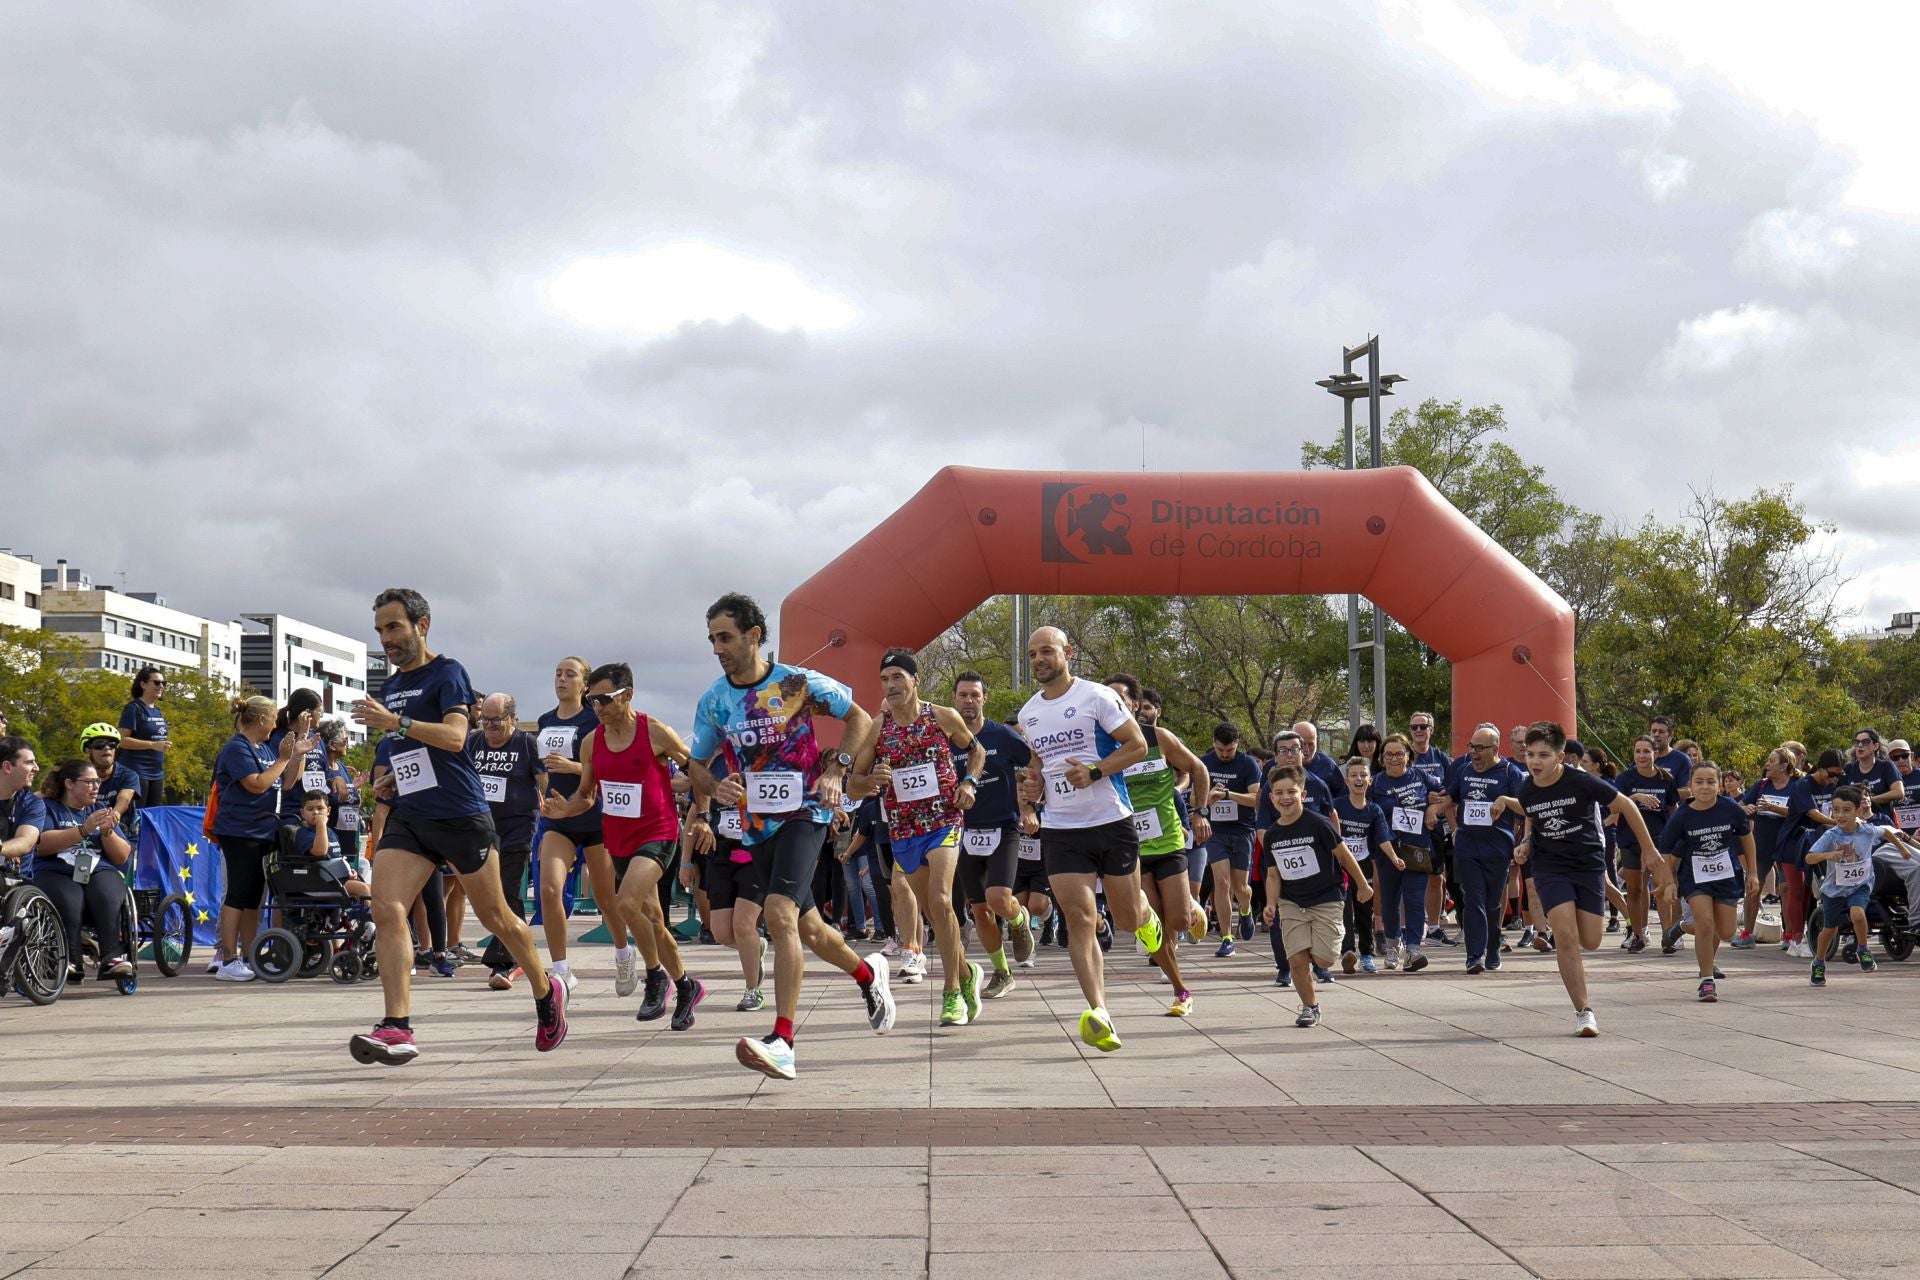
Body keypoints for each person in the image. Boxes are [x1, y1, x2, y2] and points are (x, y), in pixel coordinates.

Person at [348, 587, 565, 1065]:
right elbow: (412, 755)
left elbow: (452, 737)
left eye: (394, 627)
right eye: (380, 630)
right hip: (413, 816)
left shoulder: (449, 673)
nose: (386, 638)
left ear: (421, 626)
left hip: (462, 815)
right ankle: (397, 1026)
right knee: (387, 908)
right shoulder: (390, 687)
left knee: (497, 918)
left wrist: (397, 722)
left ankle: (546, 989)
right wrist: (391, 784)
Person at [685, 593, 894, 1082]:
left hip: (806, 813)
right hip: (756, 826)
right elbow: (695, 762)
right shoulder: (714, 700)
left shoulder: (796, 683)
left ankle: (783, 1040)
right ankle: (869, 975)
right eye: (713, 638)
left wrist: (838, 770)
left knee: (777, 915)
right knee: (811, 931)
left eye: (726, 637)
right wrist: (716, 786)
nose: (718, 647)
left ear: (755, 635)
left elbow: (859, 718)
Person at [1014, 626, 1163, 1052]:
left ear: (1067, 653)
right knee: (1079, 919)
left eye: (1046, 651)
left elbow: (1136, 746)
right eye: (1032, 653)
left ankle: (1145, 918)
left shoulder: (1097, 696)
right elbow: (1039, 764)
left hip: (1110, 822)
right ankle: (1100, 1012)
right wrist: (1033, 790)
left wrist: (1096, 771)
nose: (1039, 659)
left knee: (1127, 918)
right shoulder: (1029, 714)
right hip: (1061, 830)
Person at [542, 664, 707, 1030]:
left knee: (625, 904)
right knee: (653, 921)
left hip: (658, 831)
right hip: (619, 838)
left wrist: (704, 814)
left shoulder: (655, 731)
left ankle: (655, 976)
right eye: (592, 700)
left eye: (604, 699)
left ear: (627, 694)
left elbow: (696, 769)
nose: (597, 707)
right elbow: (586, 797)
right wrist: (564, 808)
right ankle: (685, 985)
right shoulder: (591, 742)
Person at [1496, 721, 1669, 1036]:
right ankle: (1584, 1011)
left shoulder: (1582, 782)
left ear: (1560, 756)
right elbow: (1531, 811)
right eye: (1531, 754)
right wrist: (1526, 841)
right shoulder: (1527, 787)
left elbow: (1627, 805)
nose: (1535, 761)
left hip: (1587, 865)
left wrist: (1650, 850)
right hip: (1549, 866)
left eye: (1544, 755)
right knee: (1564, 935)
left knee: (1591, 940)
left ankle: (1582, 942)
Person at [851, 650, 986, 1029]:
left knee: (942, 902)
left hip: (945, 819)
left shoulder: (942, 716)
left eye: (898, 677)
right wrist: (872, 781)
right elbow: (854, 783)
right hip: (904, 828)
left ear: (915, 680)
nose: (891, 686)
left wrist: (970, 783)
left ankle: (951, 994)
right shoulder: (879, 728)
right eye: (885, 680)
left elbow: (976, 752)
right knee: (933, 912)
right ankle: (966, 973)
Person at [1106, 673, 1208, 1015]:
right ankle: (1181, 992)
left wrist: (1200, 812)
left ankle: (1191, 905)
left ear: (1134, 705)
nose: (1113, 706)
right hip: (1130, 846)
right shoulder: (1101, 746)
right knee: (1154, 925)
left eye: (1120, 699)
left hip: (1166, 841)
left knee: (1177, 921)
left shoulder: (1158, 738)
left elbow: (1198, 769)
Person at [533, 656, 631, 996]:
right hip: (558, 819)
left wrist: (572, 767)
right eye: (558, 673)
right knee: (548, 890)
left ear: (584, 684)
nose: (561, 679)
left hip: (593, 815)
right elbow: (542, 769)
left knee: (606, 898)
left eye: (569, 674)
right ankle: (561, 971)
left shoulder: (594, 718)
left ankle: (622, 952)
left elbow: (603, 766)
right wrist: (542, 790)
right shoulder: (545, 720)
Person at [209, 696, 314, 981]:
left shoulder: (264, 748)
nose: (274, 724)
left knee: (254, 897)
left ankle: (248, 955)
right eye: (272, 719)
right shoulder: (236, 747)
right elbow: (256, 784)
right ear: (260, 720)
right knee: (238, 893)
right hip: (239, 830)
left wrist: (298, 752)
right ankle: (228, 958)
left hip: (263, 830)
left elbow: (288, 781)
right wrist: (282, 758)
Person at [1262, 766, 1372, 1027]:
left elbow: (1344, 855)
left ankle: (1314, 949)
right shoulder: (1272, 835)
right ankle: (1310, 1008)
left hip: (1327, 898)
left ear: (1303, 793)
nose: (1285, 797)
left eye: (1291, 791)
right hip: (1292, 903)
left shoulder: (1318, 823)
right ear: (1271, 799)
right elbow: (1273, 874)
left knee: (1324, 959)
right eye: (1279, 793)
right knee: (1297, 959)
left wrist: (1362, 885)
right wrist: (1270, 903)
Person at [953, 671, 1038, 1000]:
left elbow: (1035, 765)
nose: (969, 701)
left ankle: (1019, 919)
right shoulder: (948, 739)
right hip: (964, 832)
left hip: (1003, 827)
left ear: (984, 699)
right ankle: (1002, 973)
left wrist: (1030, 805)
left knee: (999, 899)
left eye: (975, 695)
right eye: (963, 695)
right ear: (955, 699)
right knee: (980, 910)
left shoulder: (1002, 736)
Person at [1656, 761, 1755, 1002]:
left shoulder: (1730, 808)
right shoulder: (1682, 815)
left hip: (1726, 875)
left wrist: (1752, 872)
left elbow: (1746, 837)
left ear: (1719, 784)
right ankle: (1706, 980)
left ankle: (1681, 927)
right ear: (1690, 786)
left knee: (1726, 930)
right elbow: (1666, 852)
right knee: (1705, 923)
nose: (1705, 787)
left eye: (1711, 781)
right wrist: (1669, 882)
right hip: (1694, 877)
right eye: (1699, 782)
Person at [466, 693, 546, 989]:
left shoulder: (526, 743)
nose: (489, 725)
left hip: (517, 830)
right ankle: (524, 955)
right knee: (488, 898)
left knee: (508, 893)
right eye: (484, 719)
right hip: (481, 831)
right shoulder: (474, 742)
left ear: (512, 717)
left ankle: (504, 962)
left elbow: (544, 781)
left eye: (496, 719)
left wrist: (551, 805)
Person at [1805, 786, 1920, 985]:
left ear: (1859, 811)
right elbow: (1809, 858)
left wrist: (1902, 850)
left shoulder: (1867, 830)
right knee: (1829, 930)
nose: (1840, 815)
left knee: (1858, 914)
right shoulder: (1831, 836)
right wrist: (1828, 855)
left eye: (1846, 810)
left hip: (1861, 884)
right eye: (1836, 809)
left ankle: (1863, 949)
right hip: (1835, 888)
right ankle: (1819, 962)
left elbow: (1888, 833)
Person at [32, 759, 135, 980]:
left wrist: (108, 833)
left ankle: (111, 957)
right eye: (89, 782)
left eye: (97, 781)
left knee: (107, 891)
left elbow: (122, 856)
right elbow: (41, 844)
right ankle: (70, 959)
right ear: (69, 783)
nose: (96, 786)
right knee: (70, 898)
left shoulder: (100, 809)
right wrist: (84, 830)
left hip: (98, 868)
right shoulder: (48, 807)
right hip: (55, 869)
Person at [1446, 725, 1527, 973]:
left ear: (1495, 748)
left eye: (1480, 748)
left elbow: (1525, 807)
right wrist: (1452, 827)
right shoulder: (1463, 770)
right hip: (1468, 847)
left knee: (1492, 903)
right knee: (1473, 899)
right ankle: (1474, 956)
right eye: (1471, 746)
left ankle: (1493, 948)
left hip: (1497, 849)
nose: (1474, 753)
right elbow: (1451, 801)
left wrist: (1504, 801)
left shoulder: (1510, 772)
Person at [692, 758, 771, 1010]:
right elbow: (696, 814)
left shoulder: (763, 760)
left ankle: (752, 990)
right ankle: (755, 946)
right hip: (722, 855)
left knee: (743, 924)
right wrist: (685, 863)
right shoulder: (711, 765)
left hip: (754, 856)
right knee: (722, 933)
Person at [1368, 734, 1437, 971]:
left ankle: (1413, 949)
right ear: (1382, 757)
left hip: (1416, 847)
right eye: (1389, 754)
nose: (1394, 758)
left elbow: (1449, 794)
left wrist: (1433, 809)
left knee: (1415, 899)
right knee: (1390, 899)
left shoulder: (1421, 776)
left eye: (1399, 753)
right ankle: (1392, 945)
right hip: (1388, 850)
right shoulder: (1376, 783)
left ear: (1409, 755)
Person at [1613, 736, 1681, 956]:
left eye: (1646, 751)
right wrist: (1635, 797)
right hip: (1630, 840)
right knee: (1635, 889)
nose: (1641, 756)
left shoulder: (1665, 779)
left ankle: (1667, 935)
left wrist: (1678, 833)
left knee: (1662, 889)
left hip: (1659, 840)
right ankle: (1638, 935)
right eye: (1637, 751)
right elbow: (1614, 806)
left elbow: (1673, 808)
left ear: (1655, 754)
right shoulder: (1625, 779)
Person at [1197, 723, 1262, 953]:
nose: (1224, 755)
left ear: (1237, 746)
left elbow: (1256, 799)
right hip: (1216, 832)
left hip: (1243, 830)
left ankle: (1245, 910)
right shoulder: (1205, 763)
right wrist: (1207, 802)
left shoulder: (1248, 764)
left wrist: (1226, 794)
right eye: (1219, 750)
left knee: (1241, 887)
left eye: (1229, 751)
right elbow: (1196, 800)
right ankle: (1227, 938)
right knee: (1221, 883)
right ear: (1214, 744)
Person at [1331, 755, 1398, 974]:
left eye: (1363, 775)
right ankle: (1347, 952)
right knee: (1344, 909)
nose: (1358, 779)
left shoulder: (1374, 810)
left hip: (1364, 867)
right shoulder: (1337, 806)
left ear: (1370, 781)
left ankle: (1367, 954)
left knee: (1364, 910)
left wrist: (1393, 857)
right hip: (1340, 867)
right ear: (1347, 781)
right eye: (1353, 775)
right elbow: (1327, 833)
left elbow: (1382, 838)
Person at [1778, 749, 1847, 957]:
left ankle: (1806, 935)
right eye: (1831, 774)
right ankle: (1795, 940)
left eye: (1838, 775)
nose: (1833, 779)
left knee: (1809, 892)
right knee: (1796, 890)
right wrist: (1838, 822)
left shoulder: (1833, 785)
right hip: (1793, 842)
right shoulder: (1803, 785)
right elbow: (1813, 813)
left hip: (1816, 842)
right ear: (1821, 768)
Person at [1734, 748, 1799, 949]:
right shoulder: (1762, 785)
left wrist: (1773, 808)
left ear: (1784, 765)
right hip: (1762, 843)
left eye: (1771, 761)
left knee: (1787, 889)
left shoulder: (1797, 786)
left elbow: (1801, 812)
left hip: (1787, 843)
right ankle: (1747, 934)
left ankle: (1790, 935)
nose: (1767, 765)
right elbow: (1740, 805)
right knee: (1753, 888)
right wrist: (1746, 809)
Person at [0, 737, 44, 974]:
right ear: (8, 767)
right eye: (29, 763)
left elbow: (26, 842)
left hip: (14, 877)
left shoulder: (31, 804)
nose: (36, 768)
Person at [293, 790, 369, 898]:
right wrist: (321, 824)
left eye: (320, 808)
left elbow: (337, 857)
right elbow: (320, 852)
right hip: (316, 882)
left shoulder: (331, 832)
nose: (315, 812)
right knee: (363, 889)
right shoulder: (303, 833)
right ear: (302, 813)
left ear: (328, 811)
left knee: (373, 888)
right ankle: (369, 914)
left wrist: (349, 872)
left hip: (335, 878)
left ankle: (368, 912)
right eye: (310, 809)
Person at [115, 666, 171, 809]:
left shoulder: (157, 711)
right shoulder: (133, 708)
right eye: (157, 682)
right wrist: (152, 745)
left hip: (156, 773)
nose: (161, 686)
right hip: (136, 771)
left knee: (154, 816)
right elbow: (120, 740)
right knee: (137, 817)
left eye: (163, 683)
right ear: (143, 684)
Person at [80, 724, 138, 836]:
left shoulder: (128, 775)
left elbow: (124, 799)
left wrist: (112, 817)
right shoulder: (77, 774)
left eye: (112, 745)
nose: (107, 748)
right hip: (86, 831)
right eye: (100, 745)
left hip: (120, 833)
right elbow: (48, 791)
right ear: (88, 750)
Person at [1844, 728, 1905, 819]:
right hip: (1856, 825)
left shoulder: (1886, 766)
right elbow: (1841, 797)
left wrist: (1869, 800)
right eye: (1857, 742)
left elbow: (1899, 793)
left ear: (1875, 746)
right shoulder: (1848, 769)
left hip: (1882, 822)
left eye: (1865, 742)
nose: (1860, 745)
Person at [1292, 721, 1343, 794]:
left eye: (1311, 744)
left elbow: (1341, 796)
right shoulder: (1277, 764)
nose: (1306, 749)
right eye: (1302, 744)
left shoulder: (1328, 765)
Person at [1647, 716, 1693, 791]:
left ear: (1670, 736)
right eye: (1654, 731)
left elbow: (1688, 792)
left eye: (1661, 732)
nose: (1656, 734)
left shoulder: (1682, 760)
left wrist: (1660, 792)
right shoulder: (1641, 758)